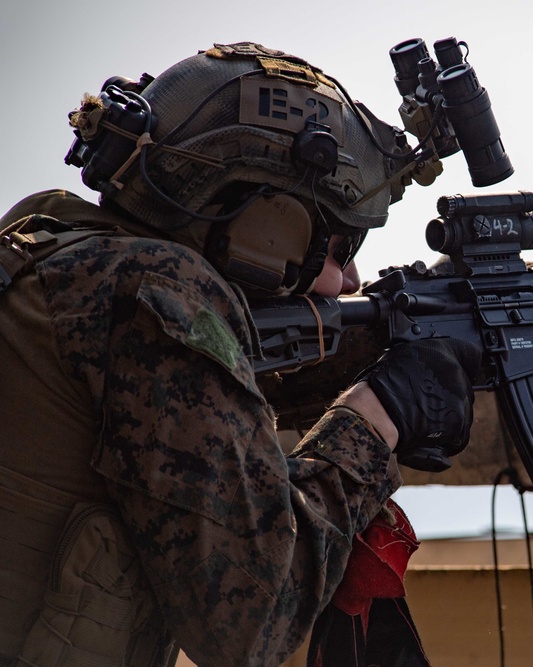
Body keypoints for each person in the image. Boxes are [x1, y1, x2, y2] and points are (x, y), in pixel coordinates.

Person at [0, 42, 479, 666]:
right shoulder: (158, 300)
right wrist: (376, 416)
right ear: (269, 221)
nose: (352, 279)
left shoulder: (55, 245)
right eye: (340, 242)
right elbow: (253, 619)